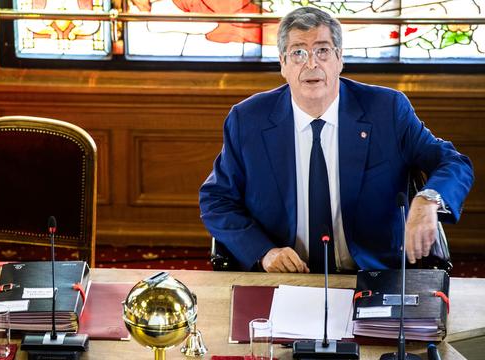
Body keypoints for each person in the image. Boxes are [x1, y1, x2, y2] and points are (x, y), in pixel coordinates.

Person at [198, 7, 474, 273]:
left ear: (339, 58)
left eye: (322, 50)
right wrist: (264, 252)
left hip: (371, 275)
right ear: (283, 63)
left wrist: (429, 199)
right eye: (298, 53)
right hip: (282, 277)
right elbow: (217, 199)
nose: (311, 63)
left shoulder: (386, 110)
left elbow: (453, 162)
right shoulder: (248, 120)